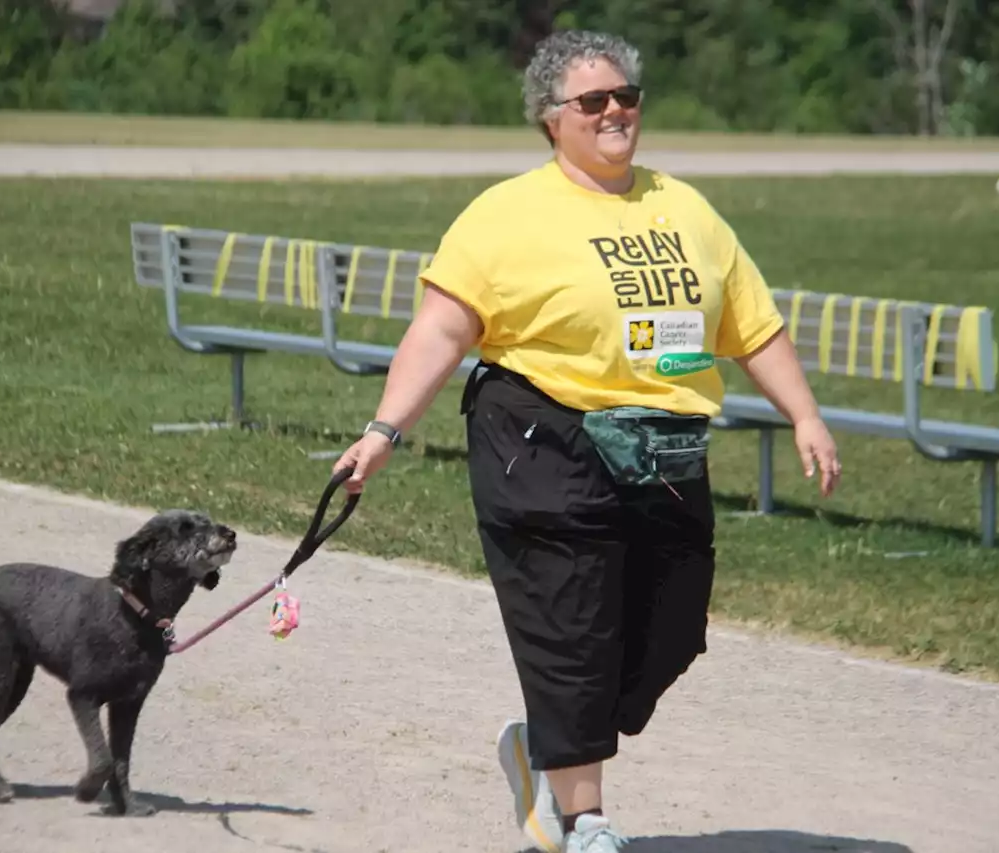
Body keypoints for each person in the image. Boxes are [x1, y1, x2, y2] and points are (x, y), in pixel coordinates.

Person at [332, 28, 841, 853]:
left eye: (626, 97)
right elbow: (440, 329)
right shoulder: (506, 214)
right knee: (573, 626)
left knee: (673, 625)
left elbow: (752, 325)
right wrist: (385, 429)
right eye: (593, 101)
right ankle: (584, 819)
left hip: (664, 450)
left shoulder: (684, 207)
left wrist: (806, 414)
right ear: (549, 118)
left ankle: (547, 745)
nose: (615, 112)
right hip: (543, 438)